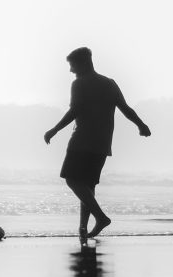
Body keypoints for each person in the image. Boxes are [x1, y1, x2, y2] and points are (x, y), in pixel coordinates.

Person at [44, 47, 151, 242]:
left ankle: (100, 218)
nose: (71, 71)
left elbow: (74, 111)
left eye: (73, 66)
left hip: (82, 140)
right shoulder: (109, 84)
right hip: (102, 144)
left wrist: (55, 129)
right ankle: (83, 229)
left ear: (85, 63)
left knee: (72, 180)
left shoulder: (79, 84)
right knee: (87, 187)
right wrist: (141, 125)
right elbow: (125, 109)